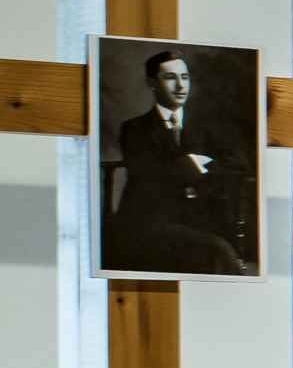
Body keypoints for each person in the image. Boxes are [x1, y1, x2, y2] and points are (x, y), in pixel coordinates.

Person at [101, 45, 250, 279]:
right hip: (150, 220)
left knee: (217, 249)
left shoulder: (206, 126)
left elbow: (238, 164)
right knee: (217, 251)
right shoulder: (135, 129)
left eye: (185, 77)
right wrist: (190, 164)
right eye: (170, 78)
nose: (181, 86)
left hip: (198, 217)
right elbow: (146, 175)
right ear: (152, 83)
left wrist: (195, 167)